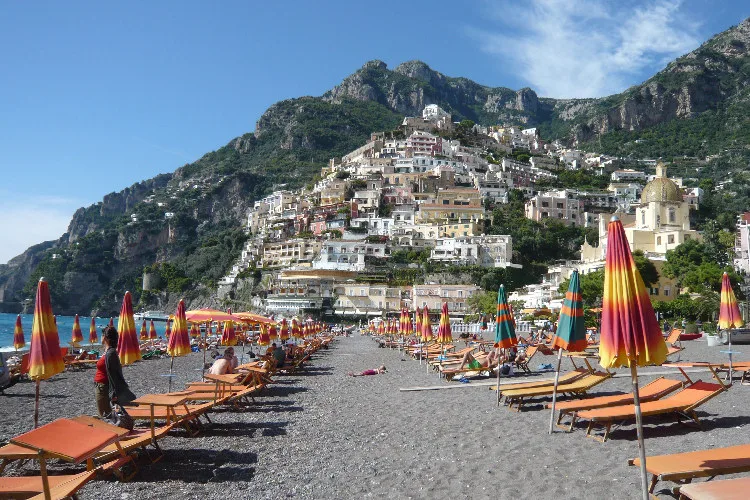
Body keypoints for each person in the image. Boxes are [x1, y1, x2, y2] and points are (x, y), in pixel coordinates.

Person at [95, 326, 136, 417]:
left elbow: (115, 373)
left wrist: (114, 393)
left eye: (101, 335)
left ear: (105, 337)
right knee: (105, 413)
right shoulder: (108, 351)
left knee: (105, 414)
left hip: (104, 387)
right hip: (101, 386)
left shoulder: (111, 353)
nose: (100, 337)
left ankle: (111, 430)